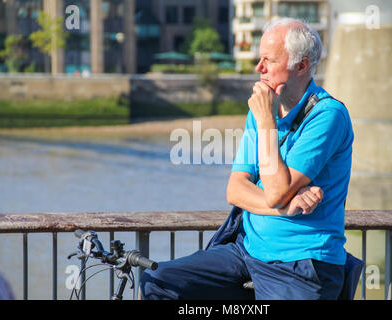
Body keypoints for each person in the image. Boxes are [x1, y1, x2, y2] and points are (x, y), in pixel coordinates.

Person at [140, 17, 354, 300]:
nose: (259, 68)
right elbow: (236, 189)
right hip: (247, 251)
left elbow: (276, 190)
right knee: (158, 281)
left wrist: (267, 119)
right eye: (259, 59)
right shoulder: (260, 111)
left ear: (301, 66)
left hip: (301, 263)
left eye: (268, 60)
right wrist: (285, 207)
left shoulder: (327, 116)